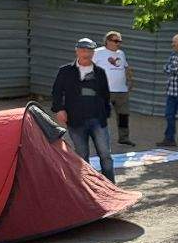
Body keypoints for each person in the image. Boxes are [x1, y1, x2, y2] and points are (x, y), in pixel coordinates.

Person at [50, 37, 116, 183]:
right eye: (83, 50)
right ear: (77, 51)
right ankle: (87, 188)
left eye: (89, 51)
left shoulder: (100, 72)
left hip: (98, 120)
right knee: (82, 156)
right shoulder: (65, 71)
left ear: (93, 53)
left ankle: (111, 187)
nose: (86, 53)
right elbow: (56, 92)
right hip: (75, 120)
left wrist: (105, 114)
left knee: (105, 155)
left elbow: (105, 94)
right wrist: (59, 109)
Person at [94, 30, 135, 147]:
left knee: (123, 115)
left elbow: (126, 67)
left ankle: (124, 137)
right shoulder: (98, 52)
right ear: (107, 41)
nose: (118, 44)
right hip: (105, 90)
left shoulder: (121, 53)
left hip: (121, 90)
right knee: (102, 114)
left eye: (120, 41)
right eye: (116, 41)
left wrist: (131, 80)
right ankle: (100, 137)